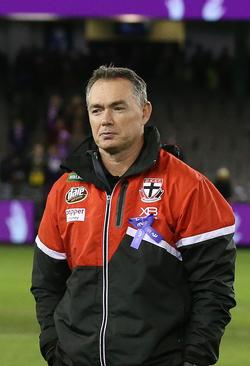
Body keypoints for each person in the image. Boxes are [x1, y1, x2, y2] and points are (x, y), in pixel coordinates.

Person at [31, 66, 236, 366]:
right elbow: (46, 284)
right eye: (96, 110)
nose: (106, 120)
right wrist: (54, 349)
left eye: (118, 107)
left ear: (144, 111)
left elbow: (213, 288)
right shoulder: (64, 190)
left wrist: (194, 359)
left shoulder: (189, 187)